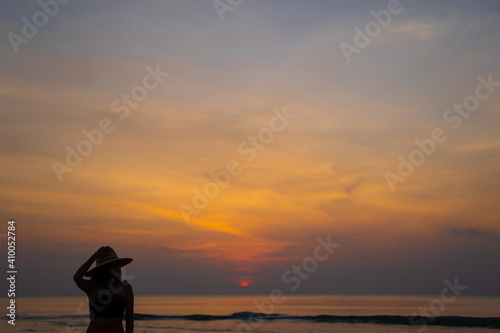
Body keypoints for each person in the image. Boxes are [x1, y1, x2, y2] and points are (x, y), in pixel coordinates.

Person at [73, 246, 134, 333]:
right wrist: (94, 257)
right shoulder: (92, 286)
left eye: (117, 264)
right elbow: (77, 277)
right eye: (112, 264)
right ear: (104, 268)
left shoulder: (126, 288)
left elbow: (129, 318)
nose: (117, 267)